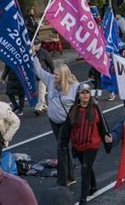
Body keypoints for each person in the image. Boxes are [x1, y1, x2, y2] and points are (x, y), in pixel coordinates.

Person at [33, 52, 79, 187]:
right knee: (64, 149)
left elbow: (83, 101)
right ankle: (70, 175)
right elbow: (39, 71)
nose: (55, 76)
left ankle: (63, 179)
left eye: (58, 75)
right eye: (55, 74)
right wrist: (33, 55)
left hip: (66, 123)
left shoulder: (74, 86)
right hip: (54, 121)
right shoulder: (51, 80)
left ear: (64, 75)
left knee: (61, 149)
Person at [60, 83, 111, 204]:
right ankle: (93, 186)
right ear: (79, 95)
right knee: (86, 166)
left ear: (90, 94)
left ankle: (83, 198)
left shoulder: (95, 108)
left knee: (84, 169)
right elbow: (67, 128)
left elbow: (103, 126)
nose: (85, 95)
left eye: (87, 92)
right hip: (78, 145)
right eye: (82, 93)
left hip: (92, 145)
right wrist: (64, 143)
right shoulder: (74, 109)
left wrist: (107, 143)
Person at [34, 39, 55, 115]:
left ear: (39, 44)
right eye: (33, 45)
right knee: (38, 92)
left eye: (36, 45)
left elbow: (51, 64)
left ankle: (38, 108)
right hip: (34, 76)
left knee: (41, 92)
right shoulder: (30, 53)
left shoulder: (44, 53)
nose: (35, 46)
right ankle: (44, 106)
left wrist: (54, 74)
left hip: (43, 75)